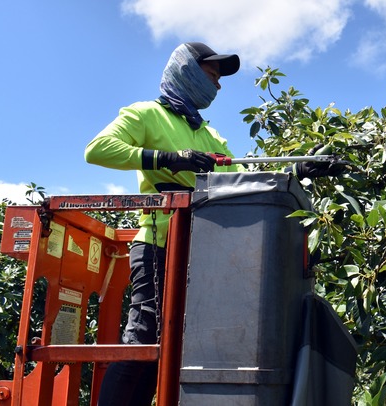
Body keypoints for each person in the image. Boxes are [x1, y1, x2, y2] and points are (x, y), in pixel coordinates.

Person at [84, 42, 341, 405]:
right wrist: (168, 158)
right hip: (160, 243)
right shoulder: (145, 114)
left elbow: (244, 183)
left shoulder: (210, 136)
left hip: (204, 254)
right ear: (185, 69)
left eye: (219, 79)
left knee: (189, 348)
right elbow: (97, 149)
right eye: (212, 74)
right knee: (145, 341)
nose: (218, 86)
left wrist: (296, 171)